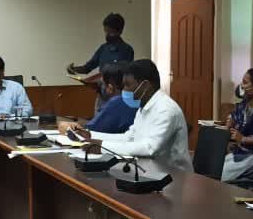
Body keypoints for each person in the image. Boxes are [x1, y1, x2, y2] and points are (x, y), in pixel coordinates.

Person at [61, 59, 192, 172]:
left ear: (145, 85)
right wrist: (91, 135)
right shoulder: (144, 106)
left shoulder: (165, 109)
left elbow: (150, 148)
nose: (124, 90)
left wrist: (102, 147)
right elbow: (130, 137)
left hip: (174, 176)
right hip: (149, 170)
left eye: (128, 85)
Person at [67, 13, 136, 111]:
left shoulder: (127, 50)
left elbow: (126, 74)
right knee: (99, 116)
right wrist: (74, 69)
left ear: (120, 31)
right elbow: (87, 68)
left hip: (118, 95)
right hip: (102, 95)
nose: (107, 35)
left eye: (111, 32)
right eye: (106, 31)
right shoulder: (103, 48)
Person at [57, 62, 137, 134]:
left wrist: (67, 127)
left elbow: (88, 133)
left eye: (102, 83)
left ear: (110, 88)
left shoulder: (117, 102)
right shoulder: (137, 99)